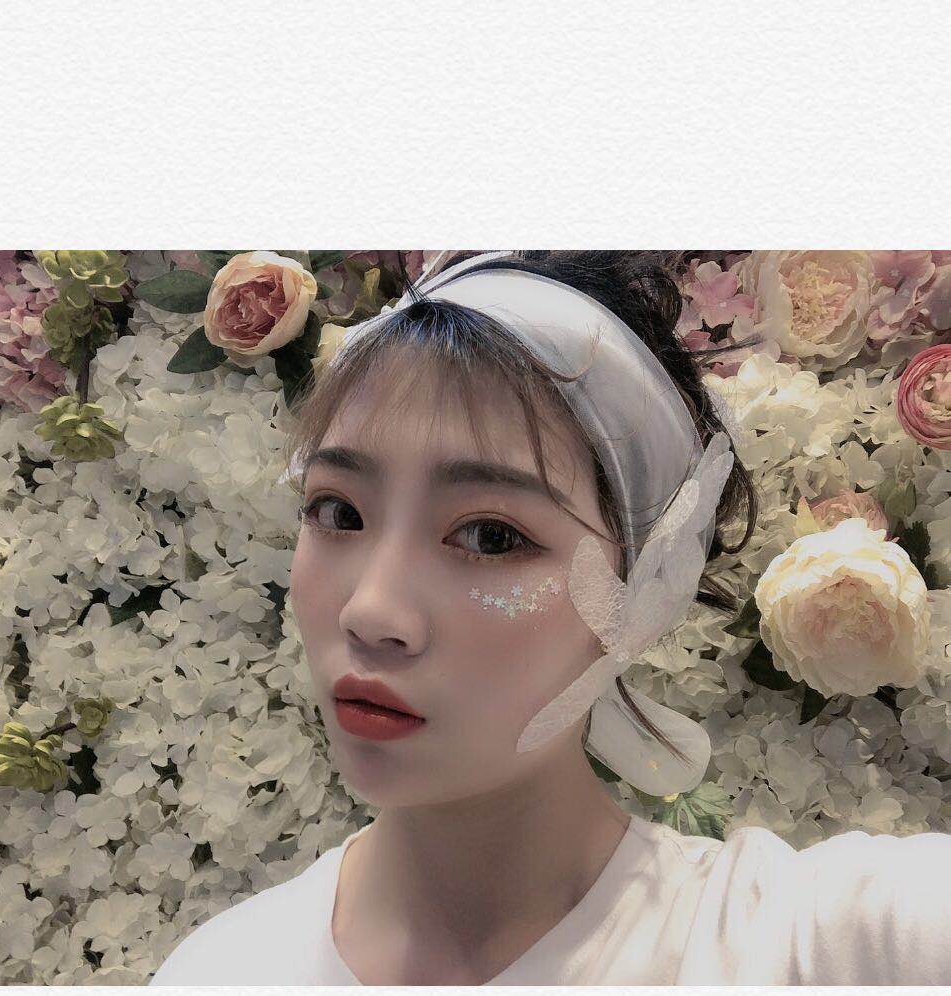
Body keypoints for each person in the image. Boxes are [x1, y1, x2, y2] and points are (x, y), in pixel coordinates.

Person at [151, 250, 951, 986]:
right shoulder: (223, 972)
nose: (370, 612)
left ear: (644, 586)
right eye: (338, 512)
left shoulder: (811, 943)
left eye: (490, 536)